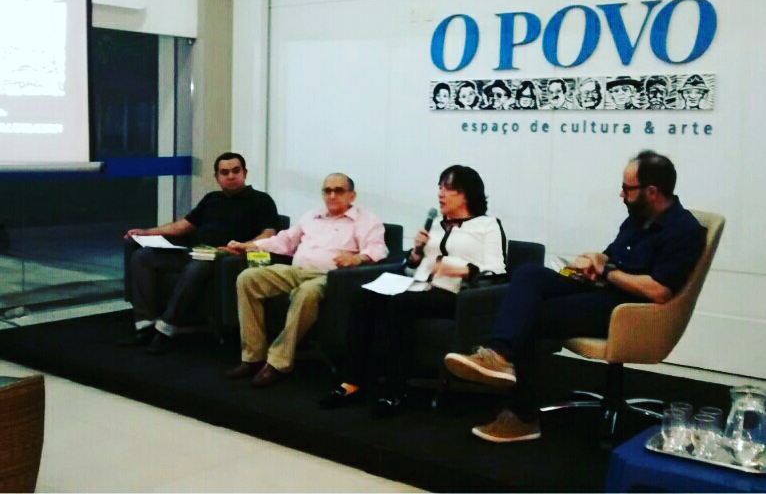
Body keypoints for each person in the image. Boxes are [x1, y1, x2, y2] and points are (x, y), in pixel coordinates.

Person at [444, 151, 705, 443]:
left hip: (628, 310)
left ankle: (523, 416)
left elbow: (659, 291)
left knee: (534, 314)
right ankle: (498, 354)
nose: (621, 194)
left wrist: (608, 272)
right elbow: (611, 257)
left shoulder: (684, 230)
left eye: (627, 188)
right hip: (604, 290)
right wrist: (594, 261)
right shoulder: (638, 218)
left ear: (652, 191)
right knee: (530, 274)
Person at [320, 165, 506, 416]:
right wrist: (416, 253)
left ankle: (396, 390)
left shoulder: (487, 225)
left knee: (401, 304)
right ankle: (352, 380)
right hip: (418, 285)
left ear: (467, 194)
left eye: (448, 189)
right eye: (439, 188)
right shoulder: (437, 224)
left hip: (458, 295)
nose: (441, 194)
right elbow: (410, 267)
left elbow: (497, 270)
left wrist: (463, 270)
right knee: (364, 296)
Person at [225, 173, 388, 387]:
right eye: (327, 191)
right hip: (297, 271)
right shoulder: (312, 216)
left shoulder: (366, 220)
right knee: (248, 278)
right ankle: (253, 357)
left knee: (306, 292)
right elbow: (284, 241)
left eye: (338, 190)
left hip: (332, 278)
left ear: (352, 195)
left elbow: (379, 249)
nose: (332, 195)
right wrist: (250, 246)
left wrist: (357, 258)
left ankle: (278, 362)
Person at [122, 152, 280, 354]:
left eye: (236, 171)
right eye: (225, 172)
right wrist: (146, 232)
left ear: (245, 173)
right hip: (194, 252)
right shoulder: (211, 198)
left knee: (196, 267)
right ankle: (145, 326)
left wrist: (243, 246)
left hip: (225, 258)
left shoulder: (261, 200)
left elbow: (269, 234)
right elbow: (183, 226)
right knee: (142, 257)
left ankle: (165, 329)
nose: (231, 176)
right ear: (217, 177)